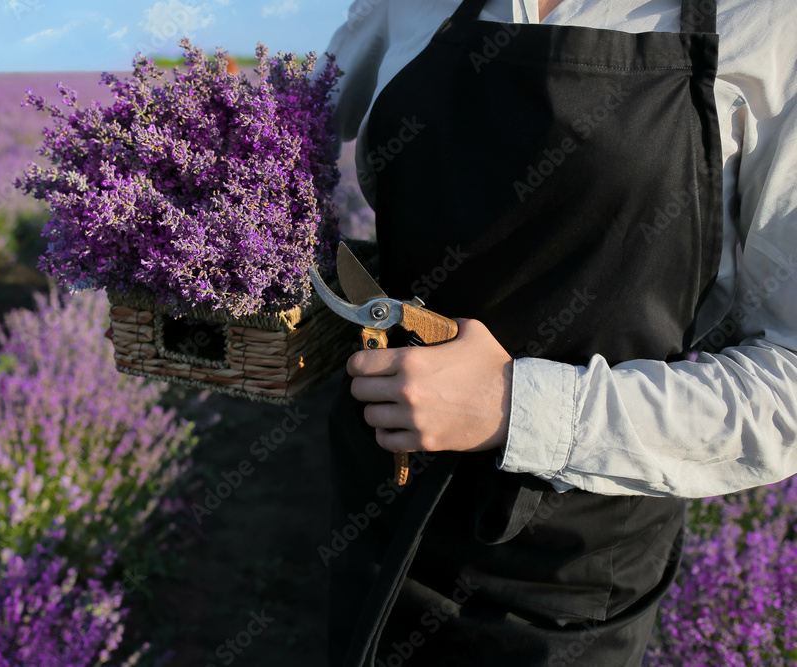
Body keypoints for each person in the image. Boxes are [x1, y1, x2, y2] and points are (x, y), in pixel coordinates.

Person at [319, 0, 797, 665]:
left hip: (566, 581)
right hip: (376, 513)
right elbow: (288, 126)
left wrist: (516, 404)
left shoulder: (768, 22)